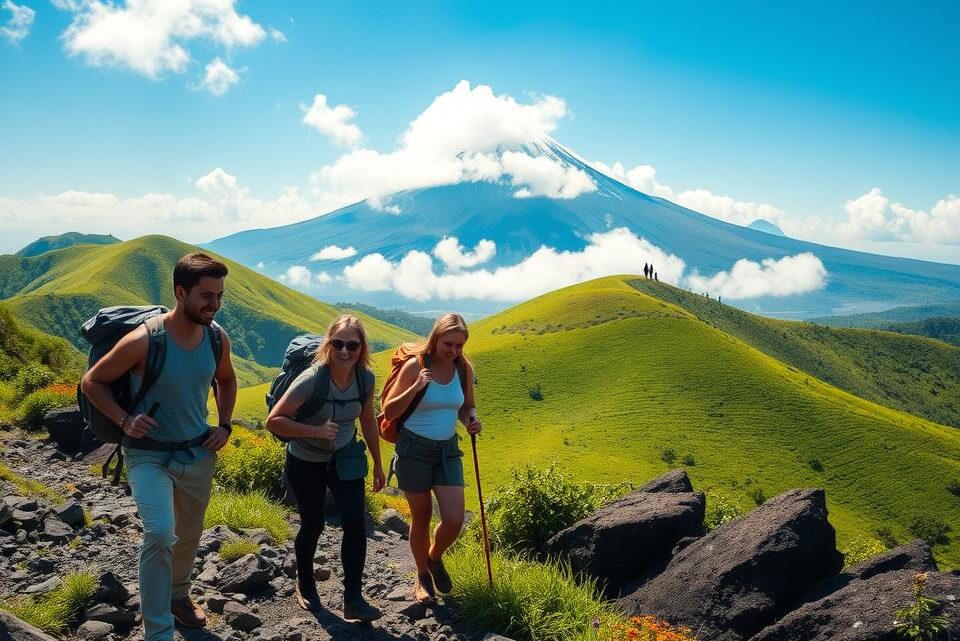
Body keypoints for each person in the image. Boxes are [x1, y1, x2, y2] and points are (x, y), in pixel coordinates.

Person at [81, 253, 237, 641]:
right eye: (206, 296)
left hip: (196, 452)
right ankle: (158, 631)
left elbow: (227, 380)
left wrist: (226, 424)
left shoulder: (216, 337)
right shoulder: (145, 340)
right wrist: (124, 419)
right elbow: (92, 382)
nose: (213, 305)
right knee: (160, 533)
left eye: (218, 296)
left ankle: (178, 596)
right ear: (179, 292)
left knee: (188, 534)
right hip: (147, 452)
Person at [266, 315, 385, 622]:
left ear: (362, 348)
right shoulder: (312, 379)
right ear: (329, 344)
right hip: (306, 459)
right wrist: (316, 432)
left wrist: (378, 465)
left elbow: (368, 420)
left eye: (352, 345)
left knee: (355, 522)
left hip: (345, 458)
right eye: (338, 344)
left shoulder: (365, 379)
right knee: (313, 523)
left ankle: (353, 599)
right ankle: (305, 582)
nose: (345, 351)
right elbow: (275, 421)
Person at [382, 313, 482, 603]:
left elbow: (467, 407)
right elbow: (389, 412)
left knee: (454, 519)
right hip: (413, 449)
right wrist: (415, 387)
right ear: (436, 337)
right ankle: (422, 576)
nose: (453, 351)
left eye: (460, 345)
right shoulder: (416, 365)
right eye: (448, 343)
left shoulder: (462, 368)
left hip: (447, 449)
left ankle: (434, 557)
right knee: (422, 516)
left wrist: (471, 420)